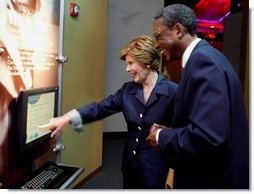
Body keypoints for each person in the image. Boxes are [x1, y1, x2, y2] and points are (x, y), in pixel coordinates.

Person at [42, 35, 178, 189]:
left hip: (156, 166)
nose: (127, 69)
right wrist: (67, 118)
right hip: (130, 164)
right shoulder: (127, 90)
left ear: (146, 61)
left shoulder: (173, 92)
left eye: (130, 63)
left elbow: (182, 131)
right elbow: (101, 107)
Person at [146, 4, 249, 189]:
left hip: (213, 180)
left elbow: (209, 137)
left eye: (158, 36)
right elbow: (207, 122)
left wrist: (162, 136)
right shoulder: (207, 56)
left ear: (178, 30)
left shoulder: (202, 62)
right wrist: (171, 131)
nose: (155, 44)